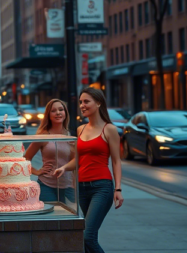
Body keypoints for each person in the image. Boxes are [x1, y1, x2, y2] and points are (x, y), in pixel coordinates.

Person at [54, 88, 123, 253]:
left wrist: (118, 188)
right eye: (80, 102)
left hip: (102, 187)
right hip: (82, 188)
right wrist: (64, 167)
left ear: (98, 103)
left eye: (86, 101)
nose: (82, 105)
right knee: (88, 237)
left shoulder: (109, 129)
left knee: (87, 236)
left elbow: (116, 161)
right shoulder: (80, 129)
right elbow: (77, 161)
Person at [25, 99, 74, 204]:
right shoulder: (43, 136)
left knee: (69, 219)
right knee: (53, 219)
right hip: (47, 185)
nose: (58, 113)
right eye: (53, 111)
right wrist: (36, 171)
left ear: (65, 113)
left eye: (61, 109)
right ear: (48, 115)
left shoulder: (71, 135)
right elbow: (25, 159)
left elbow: (75, 161)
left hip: (68, 186)